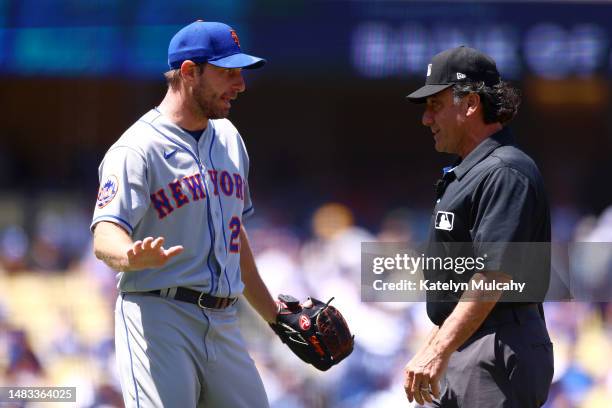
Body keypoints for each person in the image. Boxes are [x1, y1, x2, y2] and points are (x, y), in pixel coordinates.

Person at [91, 21, 277, 407]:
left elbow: (232, 235)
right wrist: (128, 255)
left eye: (241, 73)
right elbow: (105, 232)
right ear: (190, 72)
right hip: (160, 316)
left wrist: (275, 317)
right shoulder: (137, 148)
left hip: (224, 321)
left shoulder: (229, 138)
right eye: (228, 73)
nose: (240, 84)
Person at [403, 46, 554, 407]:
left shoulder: (504, 171)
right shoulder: (473, 171)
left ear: (470, 104)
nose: (426, 119)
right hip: (472, 342)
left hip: (495, 345)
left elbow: (493, 277)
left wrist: (437, 350)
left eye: (435, 105)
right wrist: (434, 347)